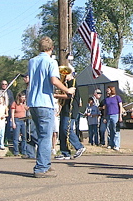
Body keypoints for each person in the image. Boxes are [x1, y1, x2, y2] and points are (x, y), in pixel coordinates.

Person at [27, 36, 75, 178]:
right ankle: (41, 167)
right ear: (52, 48)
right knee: (46, 136)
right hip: (44, 102)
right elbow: (53, 80)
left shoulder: (32, 61)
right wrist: (67, 90)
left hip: (32, 102)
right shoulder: (51, 61)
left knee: (42, 135)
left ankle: (45, 163)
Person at [54, 69, 85, 160]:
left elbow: (69, 95)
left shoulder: (73, 82)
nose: (63, 76)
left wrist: (55, 95)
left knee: (66, 129)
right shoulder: (65, 84)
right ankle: (65, 152)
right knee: (62, 131)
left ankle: (79, 146)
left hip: (71, 109)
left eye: (65, 74)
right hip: (65, 109)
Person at [102, 85, 123, 151]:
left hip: (115, 115)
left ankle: (117, 145)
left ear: (112, 90)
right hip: (108, 115)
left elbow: (120, 107)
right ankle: (110, 144)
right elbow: (105, 108)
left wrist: (120, 116)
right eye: (107, 90)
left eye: (108, 89)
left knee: (115, 130)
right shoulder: (106, 99)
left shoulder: (117, 97)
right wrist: (104, 117)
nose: (107, 90)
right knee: (109, 130)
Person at [10, 91, 29, 156]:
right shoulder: (15, 103)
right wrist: (13, 122)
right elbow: (12, 113)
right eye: (22, 97)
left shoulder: (24, 104)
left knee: (24, 136)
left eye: (24, 97)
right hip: (17, 119)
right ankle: (16, 151)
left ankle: (24, 151)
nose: (23, 98)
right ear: (19, 97)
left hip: (23, 120)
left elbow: (27, 109)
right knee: (16, 136)